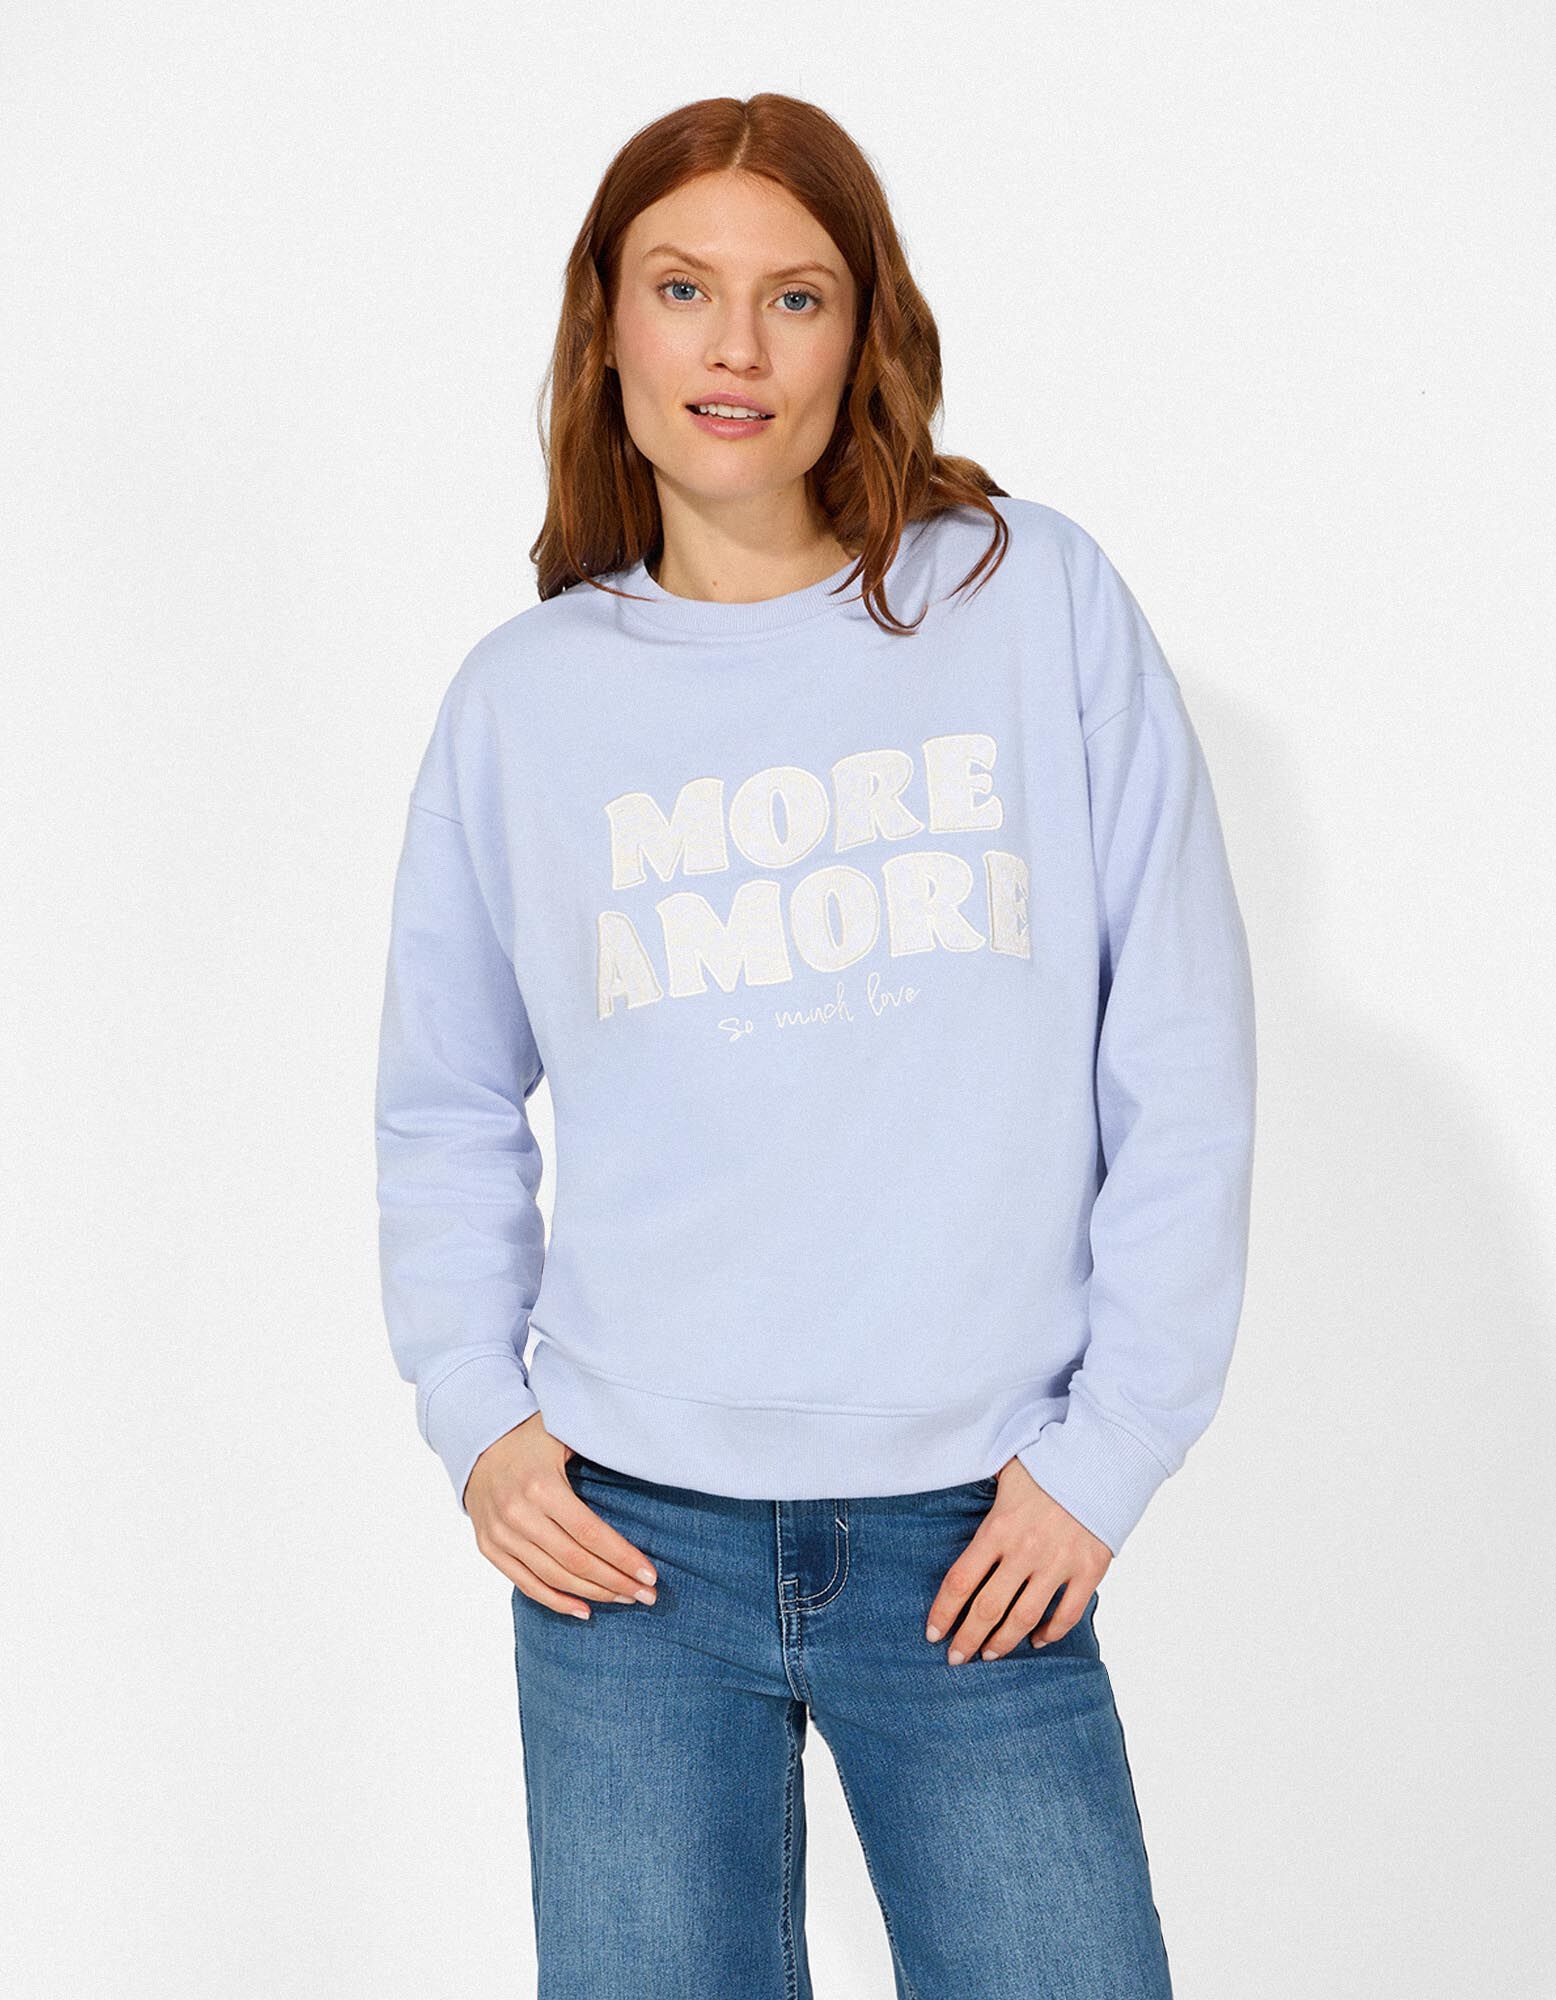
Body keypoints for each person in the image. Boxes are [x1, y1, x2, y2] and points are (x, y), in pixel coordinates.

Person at [374, 92, 1256, 2000]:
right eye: (683, 288)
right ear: (607, 321)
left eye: (797, 296)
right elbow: (443, 1102)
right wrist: (478, 1418)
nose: (737, 347)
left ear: (865, 333)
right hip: (626, 1548)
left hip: (977, 1529)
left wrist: (1110, 1453)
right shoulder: (525, 703)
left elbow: (1179, 1048)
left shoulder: (1025, 598)